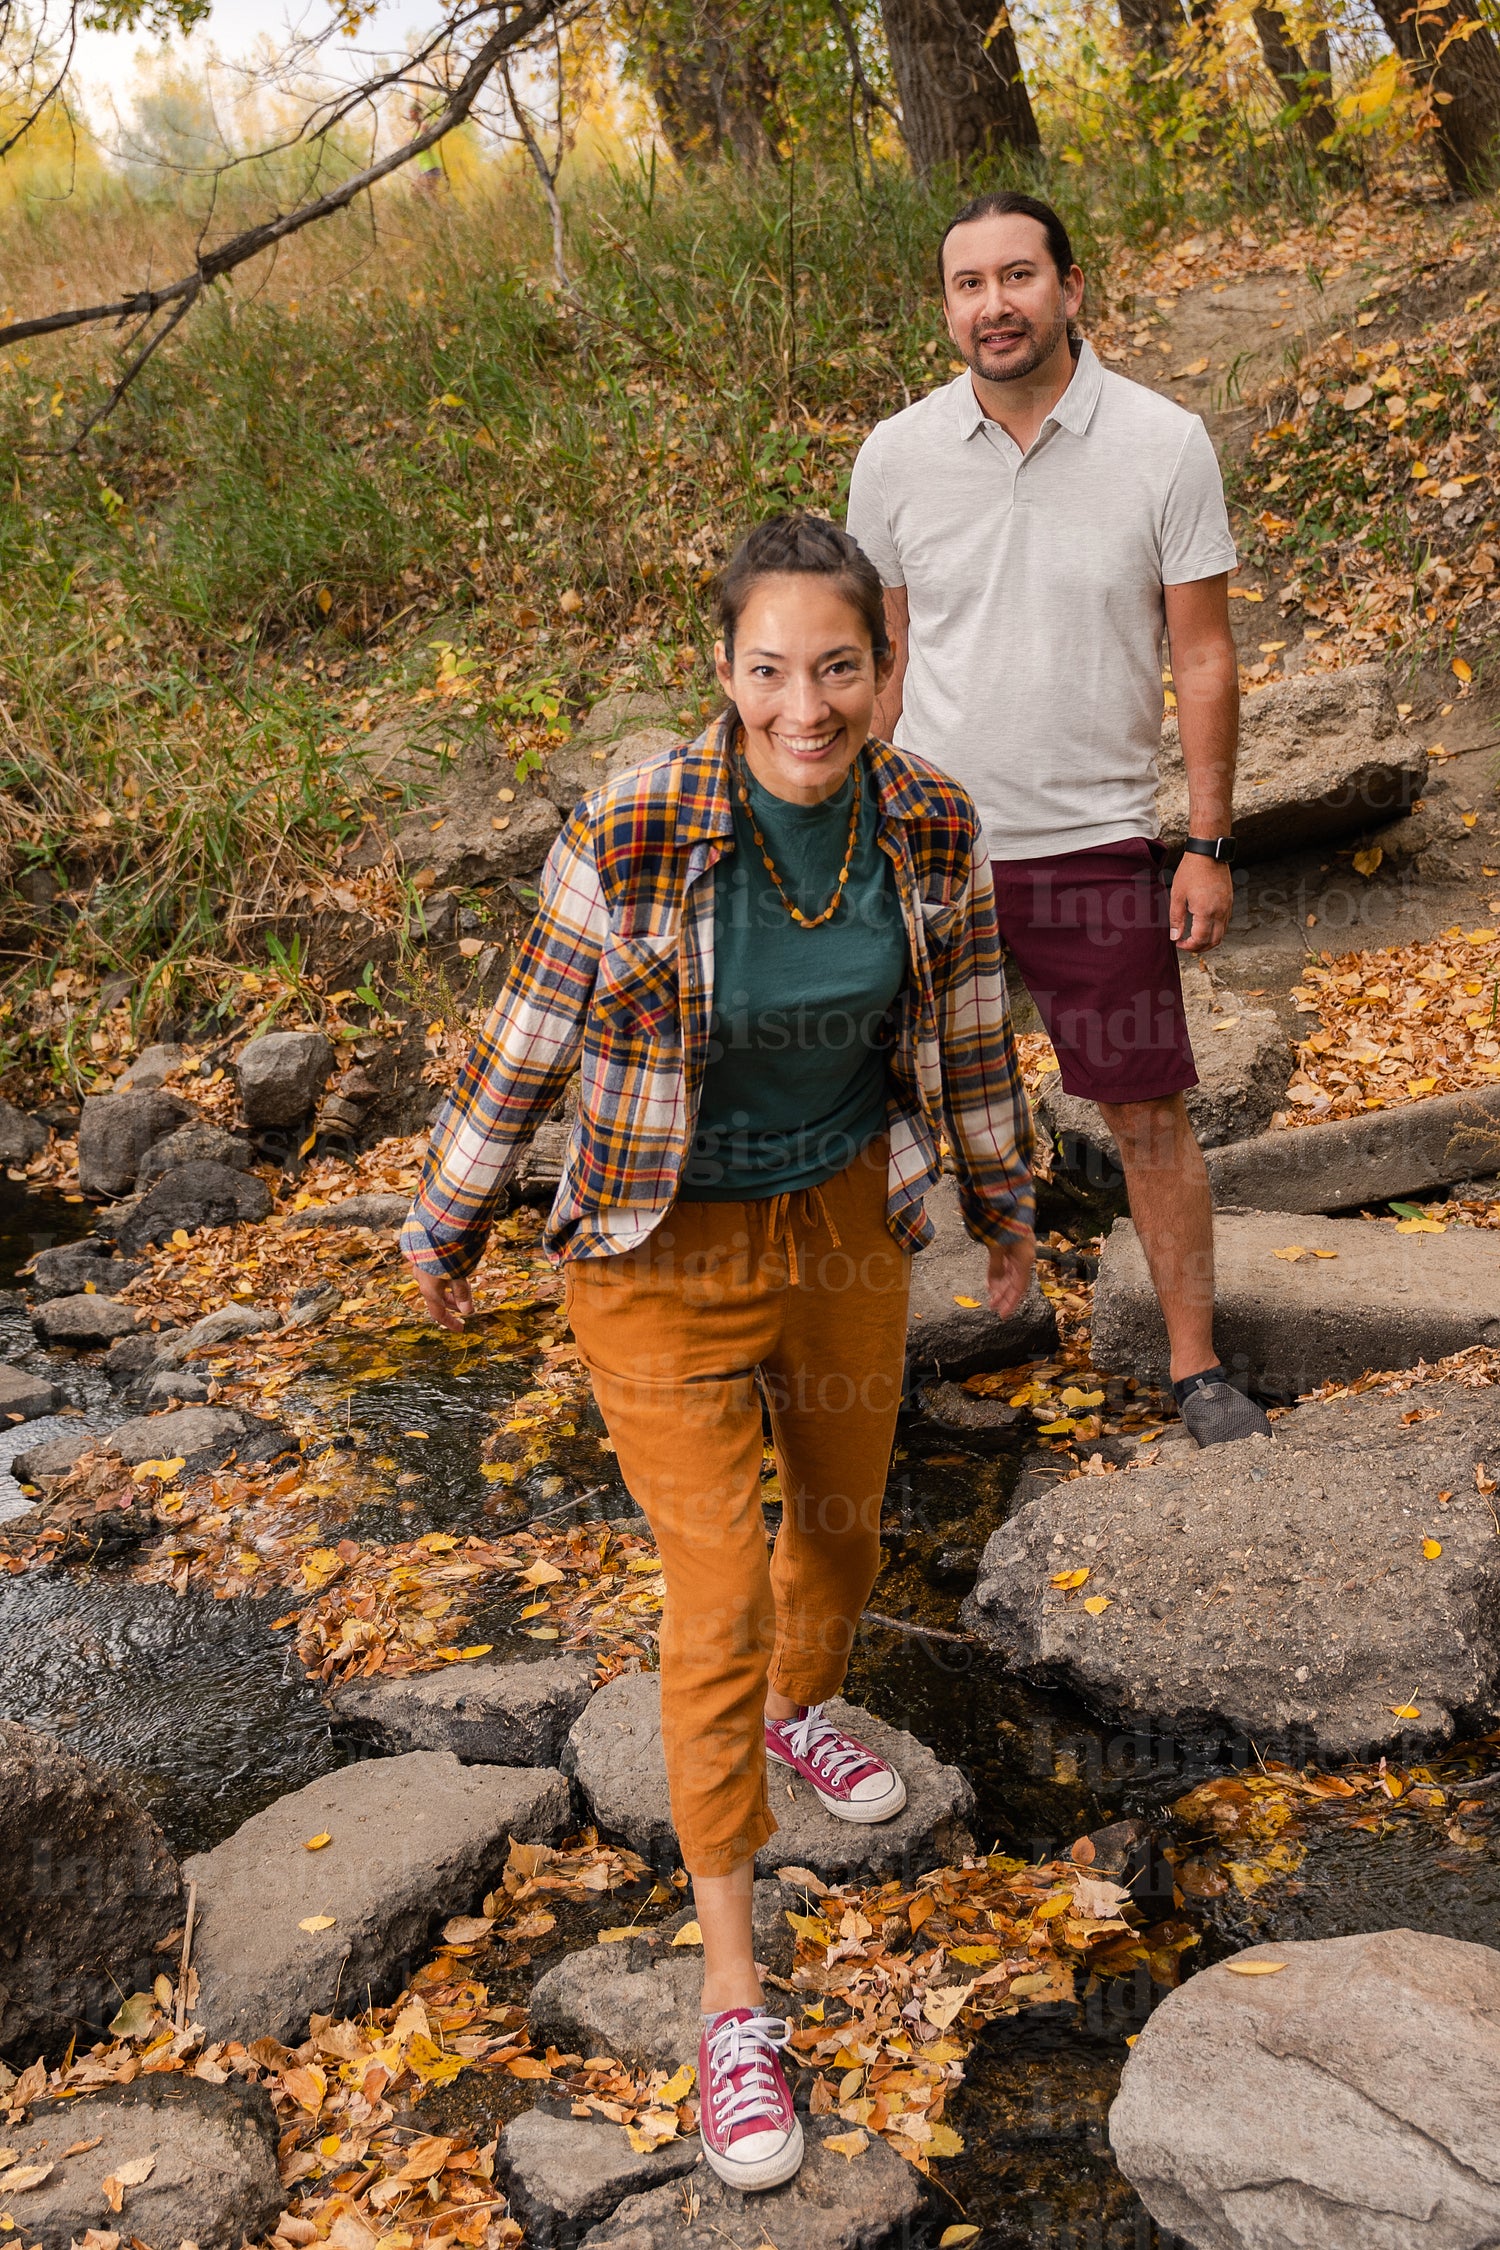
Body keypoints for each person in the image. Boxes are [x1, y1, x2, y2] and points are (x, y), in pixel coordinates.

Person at [400, 513, 1035, 2191]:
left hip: (837, 1219)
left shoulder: (926, 823)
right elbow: (524, 1040)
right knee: (717, 1587)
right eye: (771, 670)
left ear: (884, 665)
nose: (805, 707)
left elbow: (967, 1025)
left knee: (836, 1533)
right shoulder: (638, 827)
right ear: (725, 668)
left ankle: (800, 1711)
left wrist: (1006, 1196)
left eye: (839, 668)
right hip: (656, 1251)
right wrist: (448, 1221)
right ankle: (736, 2001)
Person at [847, 189, 1272, 1450]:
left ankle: (1194, 1368)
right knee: (863, 1111)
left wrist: (1205, 840)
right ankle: (865, 1364)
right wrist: (850, 835)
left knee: (1144, 1112)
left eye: (1018, 276)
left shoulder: (1162, 441)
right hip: (924, 852)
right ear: (948, 308)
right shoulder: (896, 456)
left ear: (1071, 289)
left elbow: (1203, 657)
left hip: (1095, 849)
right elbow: (885, 655)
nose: (994, 304)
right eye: (968, 284)